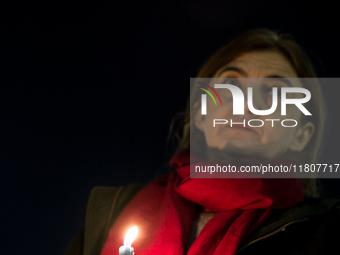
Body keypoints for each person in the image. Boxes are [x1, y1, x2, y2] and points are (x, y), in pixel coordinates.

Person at [64, 29, 340, 255]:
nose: (246, 105)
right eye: (230, 86)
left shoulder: (326, 228)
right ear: (199, 114)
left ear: (302, 135)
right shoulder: (110, 209)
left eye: (274, 93)